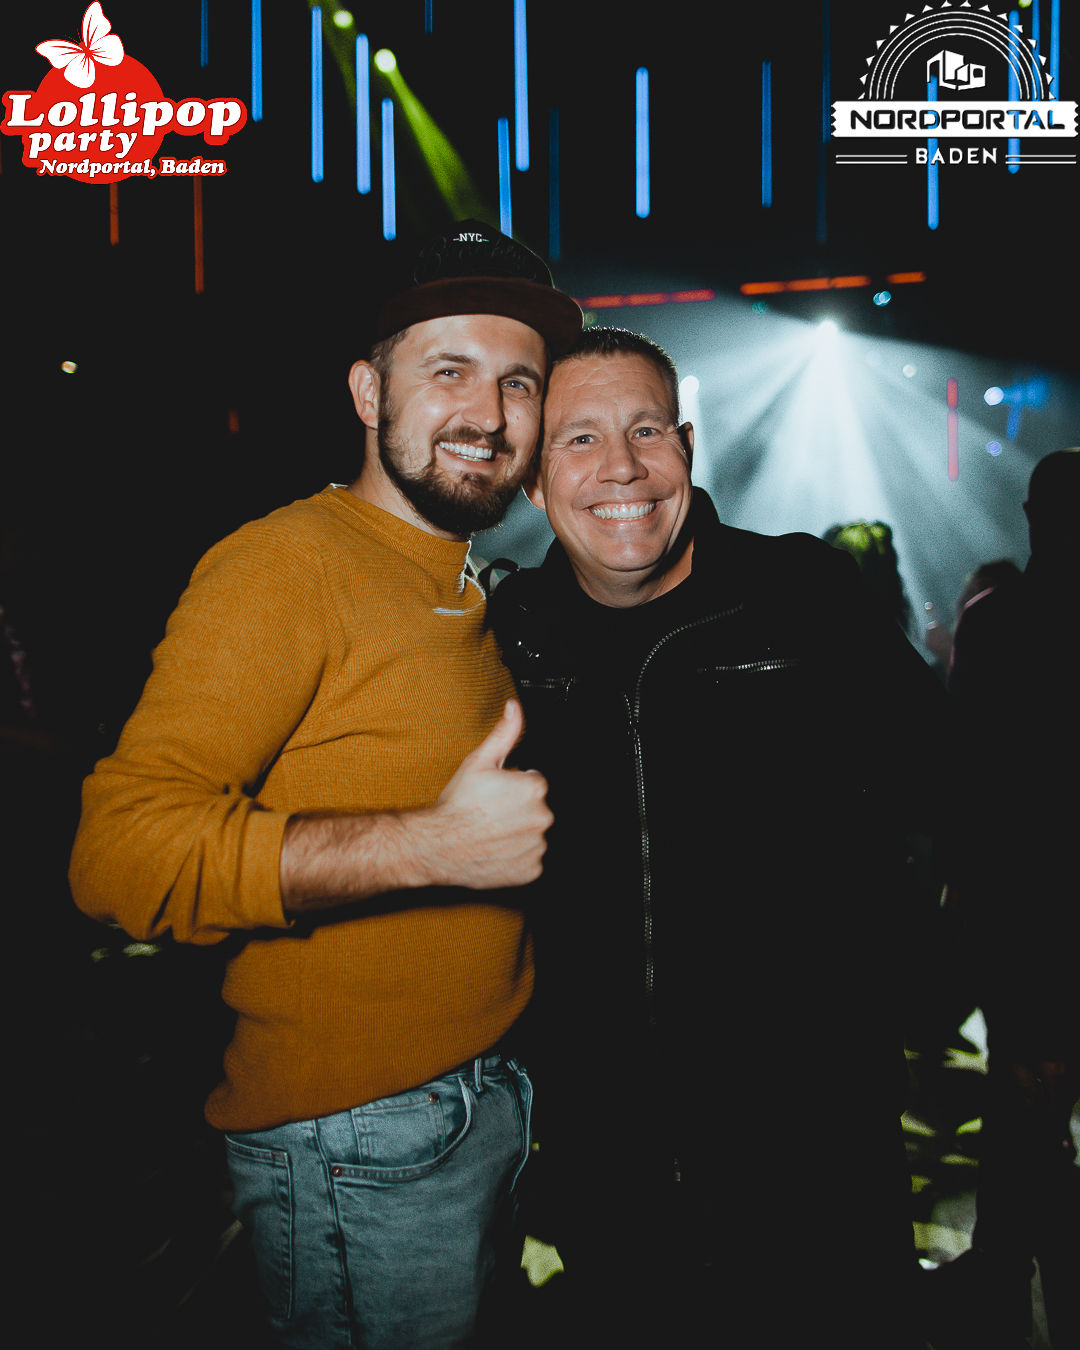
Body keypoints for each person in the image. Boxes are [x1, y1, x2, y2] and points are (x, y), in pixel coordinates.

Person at [68, 219, 582, 1350]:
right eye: (448, 371)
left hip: (483, 1101)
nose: (489, 414)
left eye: (519, 383)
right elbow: (119, 857)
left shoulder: (469, 583)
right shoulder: (285, 565)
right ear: (367, 391)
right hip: (358, 1138)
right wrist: (427, 845)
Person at [486, 326, 949, 1348]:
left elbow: (949, 788)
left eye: (646, 430)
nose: (621, 468)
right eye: (578, 439)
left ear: (686, 447)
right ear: (530, 478)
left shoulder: (802, 594)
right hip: (608, 1155)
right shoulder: (513, 634)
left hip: (815, 1146)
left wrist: (923, 985)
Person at [923, 448, 1079, 1350]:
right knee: (1033, 1111)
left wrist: (962, 897)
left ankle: (1007, 1272)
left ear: (1031, 515)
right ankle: (1011, 1270)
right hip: (1040, 901)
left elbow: (967, 780)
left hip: (1027, 905)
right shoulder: (1008, 618)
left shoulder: (1001, 619)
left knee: (1027, 1105)